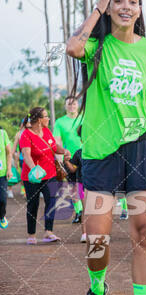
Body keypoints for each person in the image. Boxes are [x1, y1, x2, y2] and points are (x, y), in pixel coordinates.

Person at [66, 0, 146, 295]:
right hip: (101, 150)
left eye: (133, 1)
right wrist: (98, 7)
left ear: (140, 9)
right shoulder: (97, 48)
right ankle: (98, 283)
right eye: (119, 1)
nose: (126, 7)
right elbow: (73, 47)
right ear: (110, 6)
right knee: (98, 238)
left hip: (141, 145)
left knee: (143, 232)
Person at [20, 107, 70, 244]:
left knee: (51, 201)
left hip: (50, 174)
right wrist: (34, 170)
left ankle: (48, 232)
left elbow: (54, 147)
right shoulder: (26, 135)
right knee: (33, 204)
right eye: (46, 116)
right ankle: (31, 235)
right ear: (39, 120)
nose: (48, 118)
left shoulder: (47, 131)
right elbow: (26, 155)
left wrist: (64, 151)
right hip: (32, 177)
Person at [53, 96, 83, 224]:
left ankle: (87, 210)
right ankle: (79, 211)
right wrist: (59, 159)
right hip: (69, 157)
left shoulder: (84, 117)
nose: (72, 106)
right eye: (69, 104)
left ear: (78, 105)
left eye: (74, 104)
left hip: (85, 155)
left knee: (86, 185)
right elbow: (57, 141)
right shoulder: (60, 122)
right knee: (73, 186)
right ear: (65, 106)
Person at [63, 126, 86, 243]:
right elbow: (72, 169)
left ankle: (100, 232)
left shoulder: (99, 151)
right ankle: (85, 233)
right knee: (86, 209)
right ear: (81, 139)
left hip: (98, 184)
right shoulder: (79, 153)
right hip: (83, 184)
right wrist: (66, 160)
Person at [0, 127, 12, 228]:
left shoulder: (3, 134)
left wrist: (9, 169)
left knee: (2, 199)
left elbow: (9, 152)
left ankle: (2, 215)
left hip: (2, 173)